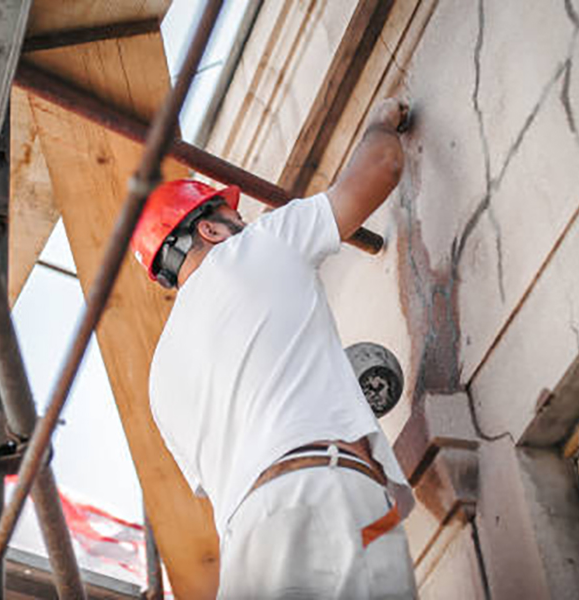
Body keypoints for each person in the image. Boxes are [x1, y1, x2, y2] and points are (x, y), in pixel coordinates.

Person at [132, 98, 417, 598]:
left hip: (245, 552)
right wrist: (379, 121)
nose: (243, 221)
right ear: (209, 228)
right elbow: (382, 167)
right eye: (231, 215)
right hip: (326, 495)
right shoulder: (258, 245)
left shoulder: (159, 381)